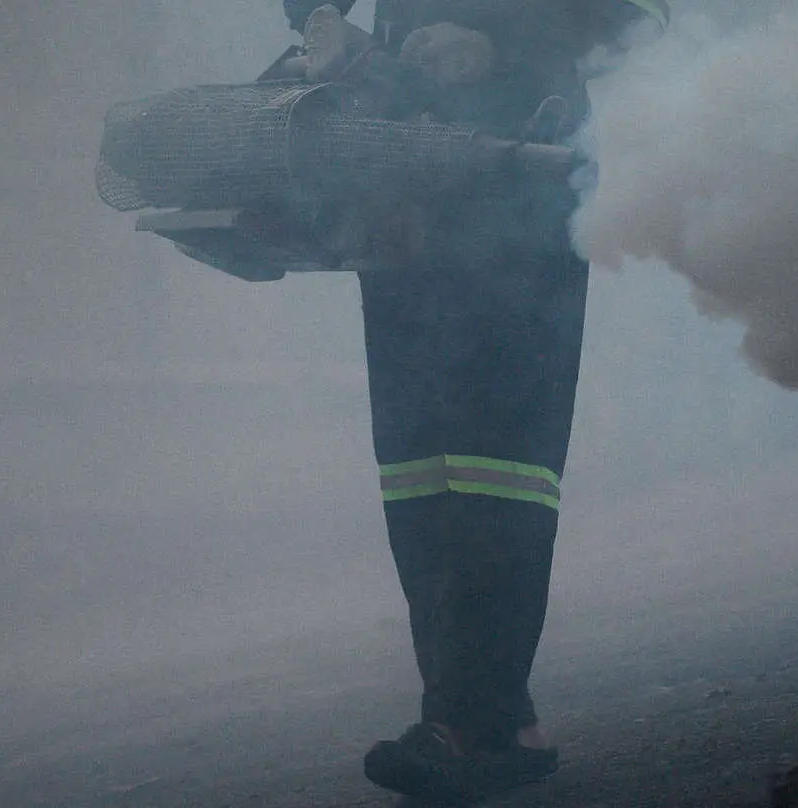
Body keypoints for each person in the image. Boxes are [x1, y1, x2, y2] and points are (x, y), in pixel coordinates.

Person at [276, 0, 669, 801]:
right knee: (417, 463)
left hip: (520, 173)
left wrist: (501, 43)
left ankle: (467, 722)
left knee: (497, 460)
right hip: (399, 168)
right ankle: (487, 717)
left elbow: (637, 14)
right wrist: (321, 22)